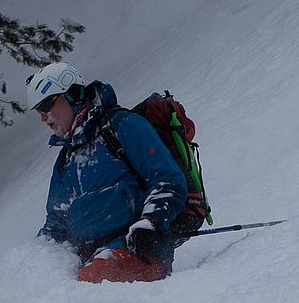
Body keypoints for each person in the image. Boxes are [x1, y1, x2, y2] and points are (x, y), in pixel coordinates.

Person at [27, 62, 188, 283]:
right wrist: (34, 263)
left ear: (73, 94)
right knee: (51, 290)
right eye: (39, 111)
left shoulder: (122, 126)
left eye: (46, 105)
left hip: (139, 250)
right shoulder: (66, 160)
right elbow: (57, 223)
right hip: (89, 261)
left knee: (91, 280)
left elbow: (168, 180)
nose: (43, 118)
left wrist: (151, 223)